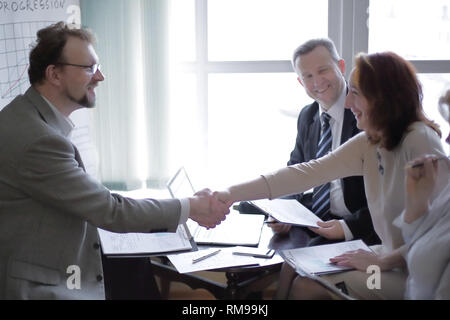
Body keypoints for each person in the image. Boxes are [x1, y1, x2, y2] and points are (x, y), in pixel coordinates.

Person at [0, 22, 229, 300]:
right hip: (43, 281)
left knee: (135, 266)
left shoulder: (29, 117)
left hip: (54, 257)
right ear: (54, 74)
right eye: (89, 68)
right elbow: (111, 211)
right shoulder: (39, 139)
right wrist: (191, 207)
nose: (100, 77)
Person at [214, 51, 445, 300]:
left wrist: (381, 261)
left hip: (413, 277)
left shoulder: (420, 140)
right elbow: (304, 173)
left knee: (308, 286)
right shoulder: (372, 141)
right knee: (294, 263)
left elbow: (440, 235)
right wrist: (230, 194)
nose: (347, 103)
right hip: (385, 258)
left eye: (355, 93)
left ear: (382, 97)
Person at [267, 38, 379, 247]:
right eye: (308, 76)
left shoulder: (364, 113)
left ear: (341, 67)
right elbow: (295, 169)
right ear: (301, 82)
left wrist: (347, 227)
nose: (317, 82)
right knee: (273, 256)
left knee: (295, 271)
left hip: (361, 229)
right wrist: (284, 210)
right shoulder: (307, 116)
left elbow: (386, 196)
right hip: (316, 221)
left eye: (323, 70)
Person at [393, 89, 450, 299]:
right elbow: (423, 246)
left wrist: (380, 262)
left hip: (393, 269)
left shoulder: (418, 138)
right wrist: (417, 204)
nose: (448, 139)